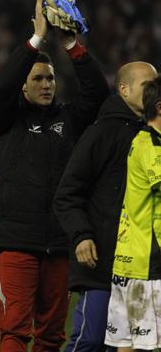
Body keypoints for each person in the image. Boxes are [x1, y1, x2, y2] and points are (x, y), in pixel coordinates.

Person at [0, 0, 109, 352]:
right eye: (38, 78)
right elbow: (1, 88)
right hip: (17, 242)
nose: (46, 85)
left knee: (52, 336)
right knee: (13, 332)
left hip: (60, 244)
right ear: (24, 85)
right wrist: (36, 39)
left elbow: (98, 93)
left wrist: (70, 43)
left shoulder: (69, 119)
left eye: (51, 79)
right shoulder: (6, 120)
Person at [54, 62, 157, 352]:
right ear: (123, 89)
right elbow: (68, 192)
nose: (154, 91)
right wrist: (81, 235)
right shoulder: (103, 132)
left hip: (140, 264)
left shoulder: (152, 136)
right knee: (90, 340)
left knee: (129, 346)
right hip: (102, 259)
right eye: (146, 85)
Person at [104, 76, 161, 352]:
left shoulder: (140, 140)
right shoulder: (153, 145)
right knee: (143, 346)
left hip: (128, 260)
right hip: (148, 263)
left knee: (128, 345)